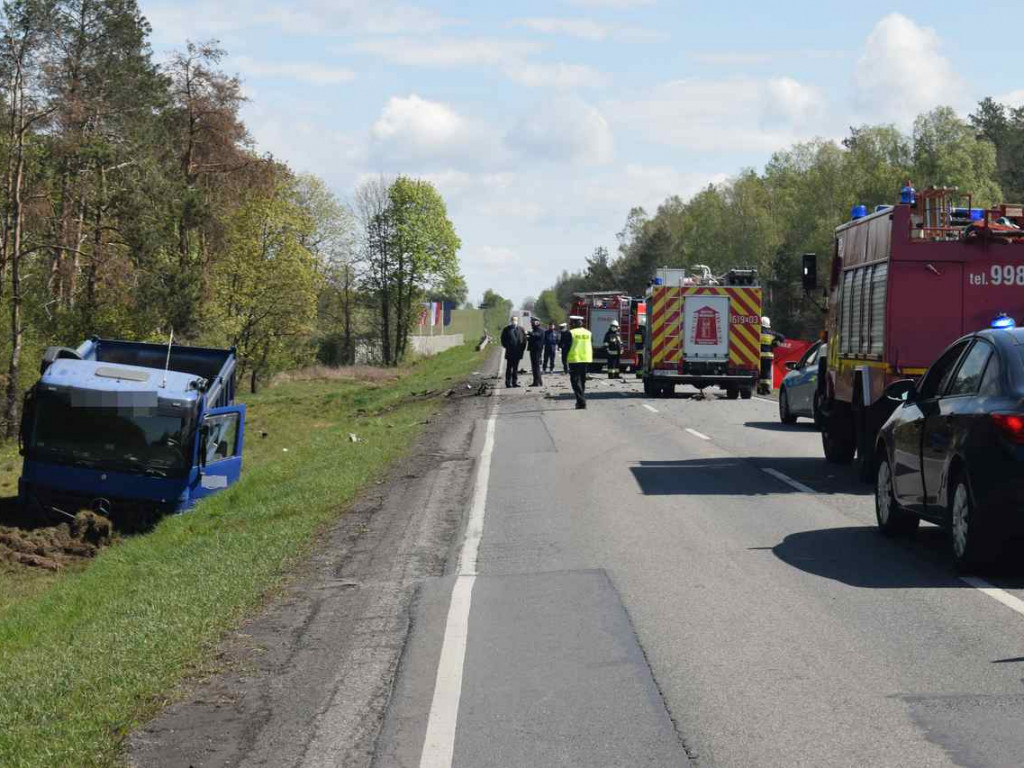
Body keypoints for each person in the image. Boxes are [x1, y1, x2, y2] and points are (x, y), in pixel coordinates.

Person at [567, 315, 593, 409]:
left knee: (575, 381)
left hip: (575, 359)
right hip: (586, 359)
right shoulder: (588, 333)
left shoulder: (571, 333)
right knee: (582, 381)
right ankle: (581, 400)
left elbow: (566, 348)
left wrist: (564, 361)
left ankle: (581, 401)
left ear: (573, 323)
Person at [758, 316, 786, 395]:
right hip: (768, 356)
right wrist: (776, 343)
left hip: (757, 356)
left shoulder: (756, 332)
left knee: (758, 372)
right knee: (766, 372)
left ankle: (759, 387)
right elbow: (782, 337)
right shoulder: (772, 334)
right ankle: (766, 389)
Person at [500, 316, 527, 388]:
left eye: (515, 320)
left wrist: (522, 349)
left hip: (518, 352)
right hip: (510, 352)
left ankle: (514, 382)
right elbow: (503, 340)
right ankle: (508, 382)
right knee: (509, 368)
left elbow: (524, 340)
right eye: (513, 320)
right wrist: (507, 346)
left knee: (515, 368)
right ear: (511, 321)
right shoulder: (506, 329)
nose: (514, 321)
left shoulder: (521, 329)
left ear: (517, 321)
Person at [526, 317, 545, 387]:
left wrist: (528, 332)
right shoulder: (535, 330)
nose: (531, 324)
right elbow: (533, 338)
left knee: (536, 367)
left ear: (537, 323)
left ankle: (538, 382)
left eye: (532, 322)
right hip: (533, 350)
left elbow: (536, 335)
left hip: (537, 351)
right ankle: (537, 382)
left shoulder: (540, 330)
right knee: (534, 367)